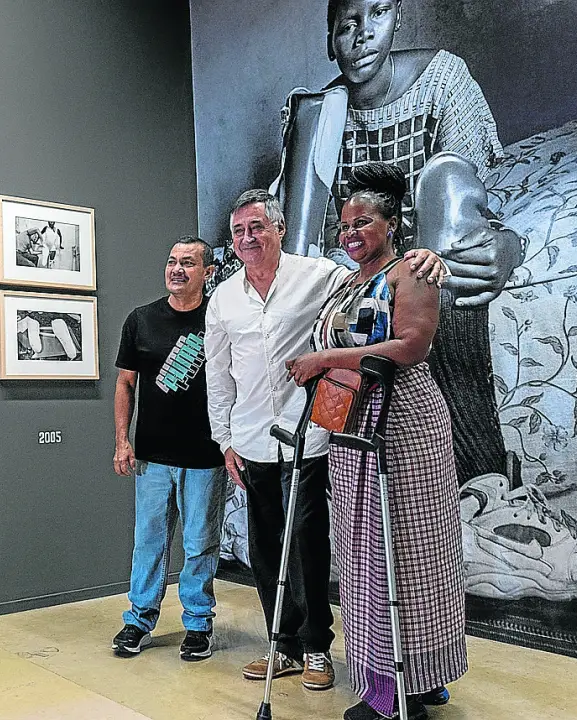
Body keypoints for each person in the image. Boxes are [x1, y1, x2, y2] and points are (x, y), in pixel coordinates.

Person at [205, 189, 448, 691]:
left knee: (308, 546)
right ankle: (282, 646)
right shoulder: (223, 297)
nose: (248, 238)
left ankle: (317, 646)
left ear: (279, 229)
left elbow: (379, 277)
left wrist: (427, 255)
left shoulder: (321, 276)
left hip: (312, 432)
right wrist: (224, 439)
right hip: (252, 437)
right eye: (239, 232)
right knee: (265, 549)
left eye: (257, 227)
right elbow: (218, 375)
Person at [274, 0, 523, 489]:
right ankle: (337, 474)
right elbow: (311, 240)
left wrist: (508, 243)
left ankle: (483, 476)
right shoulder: (319, 114)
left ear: (399, 17)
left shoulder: (441, 79)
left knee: (436, 259)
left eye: (378, 13)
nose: (363, 34)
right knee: (321, 309)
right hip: (364, 265)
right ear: (330, 41)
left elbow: (469, 199)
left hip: (432, 250)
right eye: (347, 25)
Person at [287, 162, 465, 720]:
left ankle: (404, 687)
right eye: (344, 225)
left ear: (392, 224)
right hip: (352, 423)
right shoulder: (347, 281)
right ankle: (400, 677)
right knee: (365, 553)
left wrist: (325, 358)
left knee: (412, 551)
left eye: (363, 222)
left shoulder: (411, 272)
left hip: (403, 423)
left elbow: (411, 345)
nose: (351, 233)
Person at [110, 236, 226, 662]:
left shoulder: (220, 318)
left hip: (206, 456)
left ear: (207, 272)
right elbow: (125, 384)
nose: (177, 269)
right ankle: (139, 619)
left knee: (200, 544)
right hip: (152, 457)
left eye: (189, 263)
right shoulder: (141, 320)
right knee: (149, 542)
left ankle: (197, 623)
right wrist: (122, 440)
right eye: (173, 261)